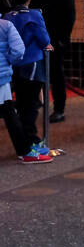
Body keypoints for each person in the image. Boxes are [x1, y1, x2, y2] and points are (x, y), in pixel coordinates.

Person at [3, 0, 52, 160]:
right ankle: (31, 141)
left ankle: (26, 140)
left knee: (22, 104)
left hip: (13, 65)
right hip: (32, 63)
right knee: (31, 105)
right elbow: (44, 39)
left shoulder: (7, 17)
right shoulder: (33, 15)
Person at [29, 0, 75, 123]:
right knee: (35, 73)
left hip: (55, 39)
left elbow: (69, 15)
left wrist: (62, 39)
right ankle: (35, 104)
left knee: (56, 75)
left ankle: (59, 108)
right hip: (36, 39)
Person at [0, 14, 30, 160]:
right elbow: (18, 50)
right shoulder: (5, 25)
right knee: (9, 113)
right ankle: (24, 151)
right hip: (1, 77)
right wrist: (8, 61)